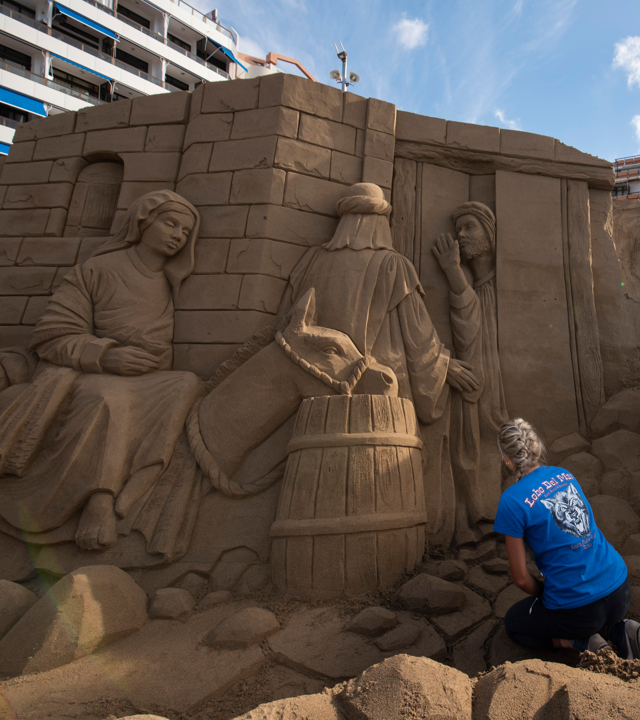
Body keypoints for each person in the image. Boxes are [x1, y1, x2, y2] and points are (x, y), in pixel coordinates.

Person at [0, 190, 205, 557]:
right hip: (87, 376)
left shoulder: (169, 282)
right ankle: (99, 497)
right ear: (142, 221)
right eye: (170, 223)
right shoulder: (97, 270)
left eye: (186, 232)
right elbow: (51, 335)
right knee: (107, 397)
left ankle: (136, 490)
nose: (178, 235)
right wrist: (106, 356)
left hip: (143, 380)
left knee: (187, 384)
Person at [278, 182, 479, 425]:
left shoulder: (310, 261)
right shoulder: (393, 265)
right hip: (378, 390)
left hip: (316, 389)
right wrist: (443, 366)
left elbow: (288, 325)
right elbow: (418, 337)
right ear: (381, 220)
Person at [494, 418, 639, 658]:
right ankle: (620, 629)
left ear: (507, 460)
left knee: (514, 623)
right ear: (537, 446)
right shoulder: (564, 475)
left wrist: (544, 590)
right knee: (593, 612)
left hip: (579, 610)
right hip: (619, 590)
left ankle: (581, 640)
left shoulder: (511, 501)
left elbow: (520, 579)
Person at [433, 202, 508, 543]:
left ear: (490, 234)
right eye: (458, 228)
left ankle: (493, 517)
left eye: (469, 227)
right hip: (476, 382)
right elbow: (468, 339)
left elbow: (472, 337)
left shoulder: (498, 289)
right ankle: (478, 516)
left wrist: (452, 272)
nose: (460, 235)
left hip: (491, 391)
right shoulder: (479, 288)